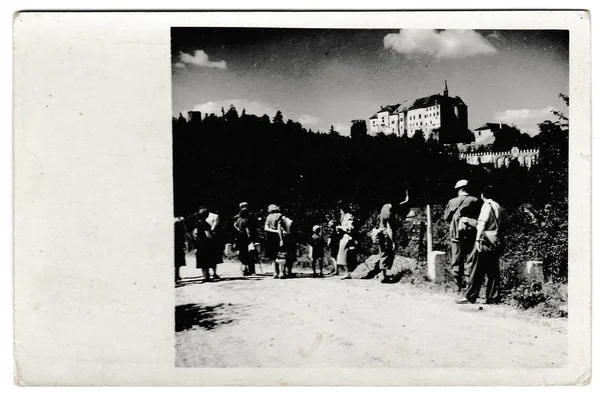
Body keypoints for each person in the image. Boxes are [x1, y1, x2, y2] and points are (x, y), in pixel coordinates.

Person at [457, 185, 509, 304]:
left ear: (483, 195)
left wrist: (477, 239)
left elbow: (482, 223)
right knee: (493, 270)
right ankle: (493, 297)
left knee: (476, 268)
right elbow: (506, 222)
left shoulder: (487, 205)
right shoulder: (499, 206)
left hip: (485, 240)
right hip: (496, 240)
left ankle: (470, 296)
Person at [443, 180, 481, 293]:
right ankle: (470, 285)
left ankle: (457, 286)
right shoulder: (475, 200)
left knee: (456, 259)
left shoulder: (452, 202)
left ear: (458, 189)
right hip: (471, 233)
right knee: (470, 259)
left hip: (456, 234)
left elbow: (446, 218)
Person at [336, 202, 356, 279]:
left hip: (347, 237)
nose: (340, 211)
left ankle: (347, 272)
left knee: (344, 255)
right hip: (344, 237)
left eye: (341, 209)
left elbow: (350, 228)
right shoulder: (344, 217)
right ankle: (346, 272)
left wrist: (341, 228)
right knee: (342, 255)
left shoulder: (349, 216)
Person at [234, 207, 257, 276]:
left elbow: (235, 225)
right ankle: (251, 270)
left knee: (242, 253)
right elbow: (248, 231)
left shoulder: (238, 220)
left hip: (239, 238)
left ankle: (243, 270)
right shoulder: (247, 220)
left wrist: (239, 229)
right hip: (246, 238)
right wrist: (250, 238)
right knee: (250, 253)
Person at [192, 207, 213, 282]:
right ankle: (207, 276)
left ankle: (204, 276)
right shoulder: (205, 224)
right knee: (207, 259)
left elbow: (195, 234)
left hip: (198, 242)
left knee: (201, 259)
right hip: (205, 243)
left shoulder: (197, 223)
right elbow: (208, 235)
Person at [264, 204, 285, 279]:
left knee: (273, 256)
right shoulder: (279, 216)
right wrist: (281, 239)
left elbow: (266, 228)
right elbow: (279, 228)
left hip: (270, 237)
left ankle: (275, 272)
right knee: (280, 255)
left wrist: (273, 230)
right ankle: (281, 273)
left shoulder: (268, 217)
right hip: (277, 236)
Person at [206, 208, 222, 281]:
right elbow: (214, 226)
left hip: (208, 238)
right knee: (213, 256)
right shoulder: (215, 216)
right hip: (211, 237)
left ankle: (209, 273)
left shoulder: (214, 216)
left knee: (210, 256)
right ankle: (213, 273)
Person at [280, 212, 297, 278]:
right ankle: (289, 271)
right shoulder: (291, 221)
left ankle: (282, 271)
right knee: (291, 255)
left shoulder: (281, 219)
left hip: (283, 237)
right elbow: (293, 231)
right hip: (290, 238)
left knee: (283, 255)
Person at [174, 216, 187, 283]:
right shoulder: (181, 227)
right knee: (177, 263)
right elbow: (183, 237)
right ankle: (176, 276)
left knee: (176, 263)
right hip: (178, 246)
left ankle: (176, 276)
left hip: (177, 246)